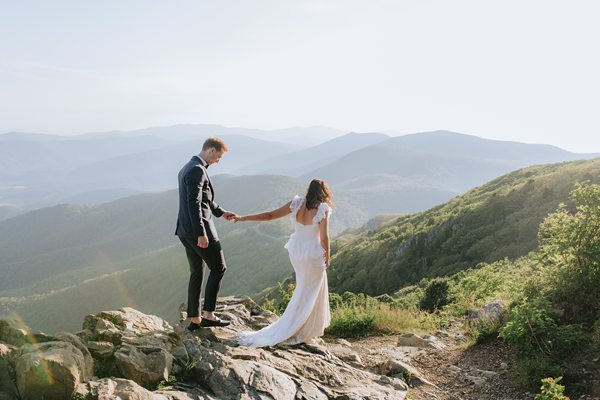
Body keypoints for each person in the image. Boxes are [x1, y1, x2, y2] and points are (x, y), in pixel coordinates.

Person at [233, 179, 334, 347]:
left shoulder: (296, 203)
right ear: (324, 192)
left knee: (303, 290)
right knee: (310, 292)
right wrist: (328, 256)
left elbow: (270, 215)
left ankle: (298, 327)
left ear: (309, 190)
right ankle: (299, 329)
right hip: (312, 254)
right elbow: (324, 237)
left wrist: (243, 218)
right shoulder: (323, 208)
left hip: (297, 252)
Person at [175, 137, 239, 330]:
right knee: (219, 268)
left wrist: (221, 212)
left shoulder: (188, 166)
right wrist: (201, 233)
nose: (218, 160)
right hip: (199, 230)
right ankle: (209, 315)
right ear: (211, 150)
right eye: (218, 156)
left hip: (184, 230)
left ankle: (195, 319)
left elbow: (204, 199)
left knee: (197, 271)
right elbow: (193, 203)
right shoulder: (197, 169)